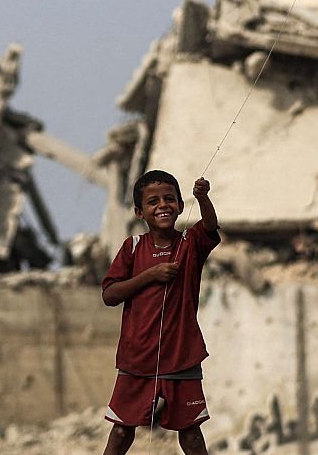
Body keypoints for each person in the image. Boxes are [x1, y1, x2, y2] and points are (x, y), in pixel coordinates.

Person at [100, 170, 220, 455]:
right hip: (137, 358)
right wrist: (150, 275)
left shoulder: (190, 243)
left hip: (181, 355)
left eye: (169, 199)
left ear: (180, 205)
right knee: (121, 431)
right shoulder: (132, 247)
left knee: (191, 433)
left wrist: (203, 198)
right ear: (139, 212)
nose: (162, 205)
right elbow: (110, 295)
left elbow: (210, 225)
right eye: (153, 202)